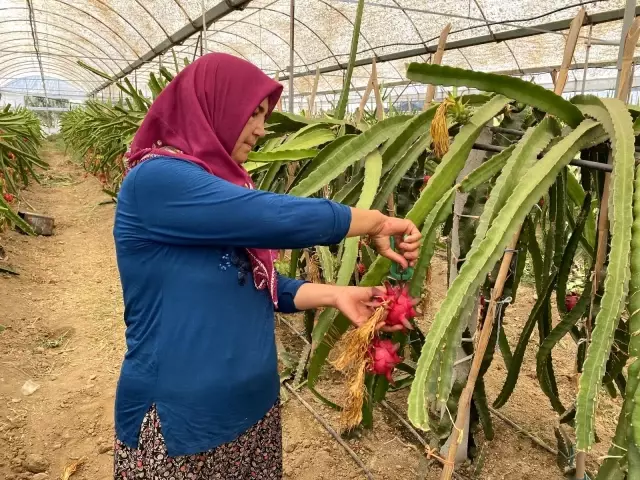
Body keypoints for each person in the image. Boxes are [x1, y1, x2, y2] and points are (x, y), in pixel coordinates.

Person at [111, 52, 421, 479]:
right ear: (212, 104)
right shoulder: (155, 182)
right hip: (182, 423)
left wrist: (335, 294)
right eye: (252, 112)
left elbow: (259, 284)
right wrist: (376, 221)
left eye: (264, 114)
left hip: (253, 410)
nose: (261, 127)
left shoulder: (222, 187)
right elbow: (276, 218)